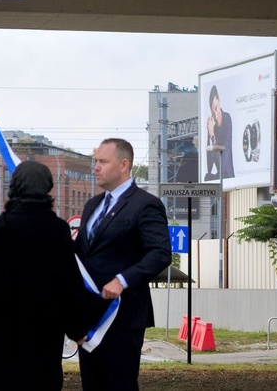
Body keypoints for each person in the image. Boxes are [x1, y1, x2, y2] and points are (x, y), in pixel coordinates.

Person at [0, 161, 96, 391]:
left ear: (15, 187)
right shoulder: (58, 230)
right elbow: (69, 285)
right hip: (43, 341)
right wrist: (78, 329)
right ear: (47, 187)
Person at [74, 138, 172, 391]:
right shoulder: (92, 205)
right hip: (90, 318)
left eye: (103, 161)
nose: (96, 167)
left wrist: (122, 280)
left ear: (123, 164)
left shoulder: (145, 204)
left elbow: (160, 253)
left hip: (123, 318)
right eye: (95, 161)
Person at [205, 84, 235, 180]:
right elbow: (209, 166)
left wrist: (213, 136)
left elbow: (222, 164)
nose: (216, 114)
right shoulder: (212, 127)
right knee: (207, 177)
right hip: (219, 180)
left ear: (220, 103)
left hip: (228, 177)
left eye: (216, 108)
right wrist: (210, 136)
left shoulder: (227, 119)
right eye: (213, 112)